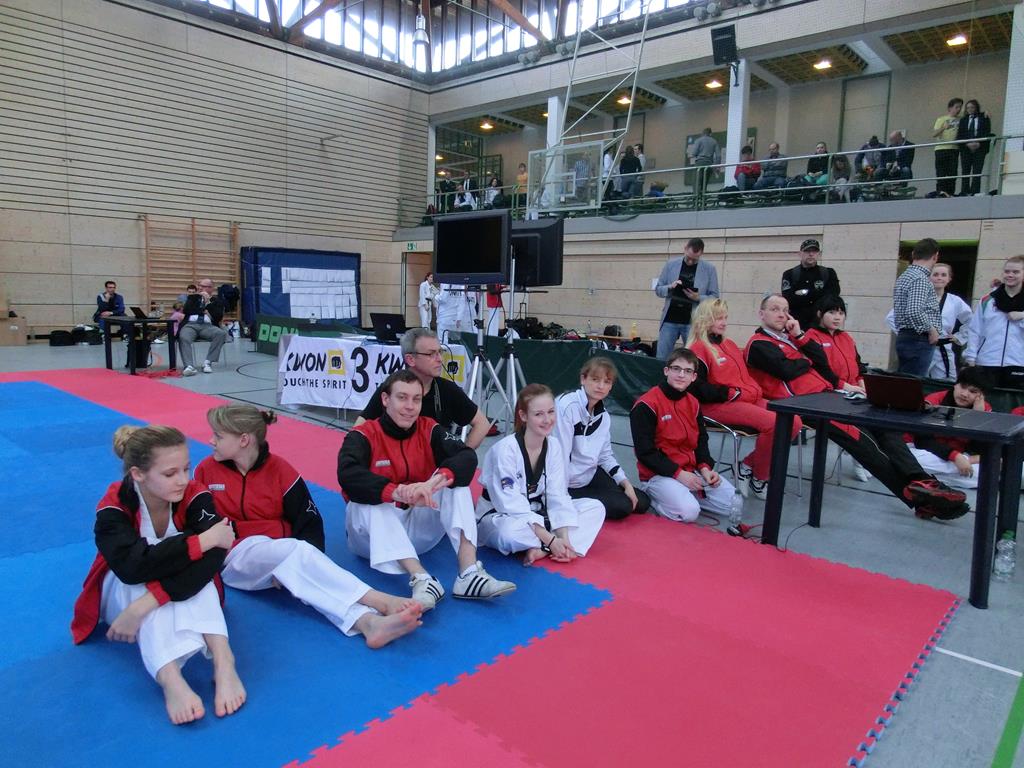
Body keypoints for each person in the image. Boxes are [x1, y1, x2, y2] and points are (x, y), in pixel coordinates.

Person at [196, 404, 423, 647]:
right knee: (295, 553)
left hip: (279, 555)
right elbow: (198, 527)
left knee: (305, 576)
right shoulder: (206, 472)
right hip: (234, 559)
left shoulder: (280, 471)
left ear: (244, 440)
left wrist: (299, 561)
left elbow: (309, 521)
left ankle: (367, 622)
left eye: (218, 436)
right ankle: (379, 600)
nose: (211, 440)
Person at [71, 425, 245, 725]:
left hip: (144, 604)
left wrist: (147, 604)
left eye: (186, 469)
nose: (183, 480)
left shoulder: (194, 494)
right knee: (144, 580)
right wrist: (201, 541)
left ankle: (223, 659)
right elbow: (131, 569)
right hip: (122, 594)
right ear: (138, 474)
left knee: (200, 577)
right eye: (169, 473)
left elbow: (215, 558)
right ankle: (169, 676)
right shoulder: (114, 505)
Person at [745, 294, 969, 520]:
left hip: (829, 396)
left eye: (785, 310)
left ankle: (922, 480)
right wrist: (806, 361)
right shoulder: (759, 344)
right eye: (775, 309)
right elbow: (787, 370)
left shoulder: (792, 338)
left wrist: (799, 337)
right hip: (804, 404)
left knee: (884, 427)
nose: (782, 315)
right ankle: (920, 499)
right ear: (761, 314)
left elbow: (820, 360)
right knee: (864, 443)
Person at [338, 369, 515, 610]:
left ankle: (469, 573)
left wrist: (434, 483)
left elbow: (466, 457)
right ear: (385, 400)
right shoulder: (362, 435)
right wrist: (398, 492)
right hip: (371, 540)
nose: (410, 407)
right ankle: (421, 578)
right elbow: (347, 475)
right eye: (402, 398)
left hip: (419, 531)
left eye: (416, 399)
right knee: (366, 499)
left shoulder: (429, 428)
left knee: (455, 482)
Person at [477, 384, 606, 565]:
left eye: (551, 412)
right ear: (523, 416)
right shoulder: (505, 451)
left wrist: (563, 538)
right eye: (539, 414)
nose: (547, 420)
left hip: (537, 512)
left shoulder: (553, 446)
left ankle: (548, 548)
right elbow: (509, 504)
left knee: (595, 508)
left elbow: (558, 495)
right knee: (508, 534)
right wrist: (551, 540)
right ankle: (550, 545)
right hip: (502, 516)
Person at [687, 298, 801, 500]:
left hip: (745, 399)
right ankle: (760, 477)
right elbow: (696, 388)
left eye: (725, 317)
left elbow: (743, 376)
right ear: (705, 319)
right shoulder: (697, 349)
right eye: (718, 318)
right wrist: (731, 393)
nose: (724, 322)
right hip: (717, 405)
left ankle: (746, 465)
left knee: (794, 421)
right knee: (775, 423)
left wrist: (751, 391)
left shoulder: (729, 344)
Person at [629, 348, 735, 522]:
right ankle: (654, 496)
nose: (681, 375)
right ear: (666, 371)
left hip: (691, 470)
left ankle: (684, 494)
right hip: (658, 474)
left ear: (694, 377)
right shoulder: (646, 405)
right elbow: (645, 452)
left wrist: (705, 468)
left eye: (687, 371)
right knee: (689, 513)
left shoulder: (693, 403)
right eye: (676, 369)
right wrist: (679, 474)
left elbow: (701, 440)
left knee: (733, 503)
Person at [355, 328, 490, 448]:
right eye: (431, 354)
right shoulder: (392, 388)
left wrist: (461, 457)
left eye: (440, 352)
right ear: (410, 359)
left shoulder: (446, 389)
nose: (440, 359)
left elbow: (482, 424)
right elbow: (358, 429)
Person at [553, 358, 650, 519]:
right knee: (623, 506)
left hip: (588, 475)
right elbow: (560, 456)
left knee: (642, 501)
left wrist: (625, 483)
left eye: (607, 382)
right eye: (595, 379)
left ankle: (592, 497)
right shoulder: (567, 406)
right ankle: (574, 500)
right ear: (583, 379)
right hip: (565, 483)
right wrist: (559, 498)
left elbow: (605, 456)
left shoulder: (603, 416)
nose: (601, 386)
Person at [803, 295, 871, 483]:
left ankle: (863, 457)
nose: (837, 317)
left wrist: (861, 384)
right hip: (830, 392)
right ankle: (861, 457)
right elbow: (820, 370)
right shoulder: (811, 337)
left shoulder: (846, 337)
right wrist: (845, 386)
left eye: (841, 313)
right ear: (820, 314)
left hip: (853, 389)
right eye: (832, 312)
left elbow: (858, 365)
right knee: (857, 419)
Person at [905, 367, 991, 489]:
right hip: (924, 451)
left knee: (986, 474)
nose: (964, 394)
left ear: (982, 395)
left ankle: (924, 477)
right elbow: (922, 441)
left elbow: (980, 448)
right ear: (955, 385)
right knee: (913, 460)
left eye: (973, 392)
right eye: (962, 387)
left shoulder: (984, 409)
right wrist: (957, 457)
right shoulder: (934, 400)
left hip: (957, 457)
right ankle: (929, 476)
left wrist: (977, 417)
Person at [885, 262, 971, 381]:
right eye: (935, 274)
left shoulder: (955, 301)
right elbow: (891, 317)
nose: (939, 278)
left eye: (943, 275)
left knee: (947, 383)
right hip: (921, 344)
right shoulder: (918, 296)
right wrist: (909, 333)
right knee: (916, 380)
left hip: (943, 347)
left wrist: (959, 337)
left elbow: (971, 321)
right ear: (928, 277)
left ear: (949, 279)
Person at [654, 237, 720, 359]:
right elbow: (658, 289)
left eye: (694, 259)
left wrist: (698, 297)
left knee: (693, 358)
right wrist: (670, 287)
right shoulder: (671, 264)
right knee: (662, 358)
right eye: (688, 257)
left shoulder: (709, 269)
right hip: (670, 319)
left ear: (701, 253)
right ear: (685, 249)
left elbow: (715, 298)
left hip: (693, 321)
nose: (690, 261)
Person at [965, 255, 1024, 389]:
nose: (1010, 275)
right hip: (988, 361)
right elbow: (975, 330)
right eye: (1007, 271)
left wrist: (1022, 316)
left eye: (1015, 272)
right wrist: (971, 358)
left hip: (1019, 362)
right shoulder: (987, 300)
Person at [892, 238, 943, 377]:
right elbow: (914, 310)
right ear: (935, 256)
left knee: (905, 380)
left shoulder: (904, 276)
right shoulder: (920, 278)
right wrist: (932, 330)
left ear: (913, 254)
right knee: (914, 382)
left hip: (906, 335)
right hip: (918, 339)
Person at [780, 239, 841, 332]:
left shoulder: (828, 273)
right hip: (797, 326)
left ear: (818, 254)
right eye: (807, 251)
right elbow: (788, 299)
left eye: (814, 251)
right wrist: (818, 293)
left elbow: (833, 296)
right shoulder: (790, 274)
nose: (811, 254)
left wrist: (804, 293)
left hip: (820, 326)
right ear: (800, 254)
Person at [178, 277, 227, 376]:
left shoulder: (217, 301)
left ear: (210, 288)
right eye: (199, 285)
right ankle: (189, 366)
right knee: (183, 336)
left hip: (207, 326)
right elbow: (186, 311)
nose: (200, 288)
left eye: (203, 286)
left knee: (221, 334)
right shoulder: (193, 298)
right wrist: (200, 304)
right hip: (191, 325)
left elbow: (218, 317)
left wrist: (208, 303)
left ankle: (208, 362)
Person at [956, 99, 993, 196]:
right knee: (965, 170)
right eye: (968, 108)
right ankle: (965, 191)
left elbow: (987, 132)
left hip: (980, 148)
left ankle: (975, 191)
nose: (970, 109)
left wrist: (979, 143)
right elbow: (960, 135)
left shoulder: (983, 118)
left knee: (977, 170)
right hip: (966, 148)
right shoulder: (963, 120)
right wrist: (967, 144)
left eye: (972, 107)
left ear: (976, 107)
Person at [932, 98, 963, 197]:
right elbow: (934, 134)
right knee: (941, 171)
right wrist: (943, 127)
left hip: (954, 148)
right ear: (950, 108)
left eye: (960, 107)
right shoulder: (941, 119)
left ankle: (950, 192)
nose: (958, 109)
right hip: (941, 148)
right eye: (956, 107)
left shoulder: (961, 119)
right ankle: (941, 191)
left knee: (952, 172)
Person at [688, 128, 720, 195]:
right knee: (704, 183)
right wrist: (717, 166)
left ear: (703, 133)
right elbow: (718, 156)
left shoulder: (699, 140)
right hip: (709, 164)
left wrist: (694, 155)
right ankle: (703, 199)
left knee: (697, 182)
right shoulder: (714, 141)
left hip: (699, 163)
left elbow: (694, 153)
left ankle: (696, 199)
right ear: (710, 134)